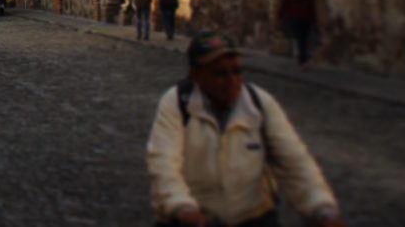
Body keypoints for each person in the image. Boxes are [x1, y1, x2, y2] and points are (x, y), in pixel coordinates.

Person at [147, 32, 345, 227]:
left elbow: (295, 161)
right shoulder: (177, 103)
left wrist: (322, 210)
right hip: (195, 219)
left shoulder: (259, 104)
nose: (231, 81)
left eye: (236, 71)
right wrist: (181, 207)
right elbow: (163, 162)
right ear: (196, 75)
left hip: (253, 217)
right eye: (220, 74)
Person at [279, 0, 316, 68]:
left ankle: (302, 60)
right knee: (303, 39)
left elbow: (284, 5)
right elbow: (312, 7)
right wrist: (313, 19)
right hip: (306, 19)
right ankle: (304, 58)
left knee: (300, 40)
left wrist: (280, 15)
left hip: (295, 19)